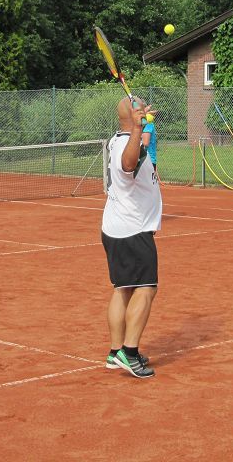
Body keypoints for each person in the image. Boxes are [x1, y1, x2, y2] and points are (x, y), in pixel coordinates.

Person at [101, 96, 161, 379]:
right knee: (146, 288)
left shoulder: (119, 138)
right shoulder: (128, 143)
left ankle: (115, 353)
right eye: (138, 104)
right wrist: (138, 129)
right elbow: (128, 164)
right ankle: (130, 351)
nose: (144, 105)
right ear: (131, 116)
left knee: (122, 289)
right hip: (132, 230)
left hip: (118, 227)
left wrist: (138, 126)